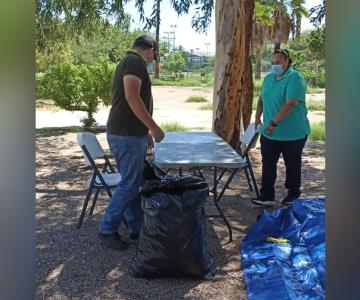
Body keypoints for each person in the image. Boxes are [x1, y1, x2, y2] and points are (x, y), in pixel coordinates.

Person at [98, 35, 165, 250]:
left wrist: (145, 131)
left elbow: (134, 100)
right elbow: (132, 97)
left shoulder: (130, 62)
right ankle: (107, 229)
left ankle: (136, 228)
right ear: (151, 49)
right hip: (126, 134)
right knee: (129, 184)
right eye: (155, 53)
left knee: (132, 182)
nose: (154, 57)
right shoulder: (135, 62)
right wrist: (153, 127)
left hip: (130, 133)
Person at [252, 49, 310, 207]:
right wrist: (257, 118)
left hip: (292, 133)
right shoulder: (269, 78)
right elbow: (261, 99)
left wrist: (273, 123)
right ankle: (267, 196)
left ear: (287, 62)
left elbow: (291, 103)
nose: (274, 66)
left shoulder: (295, 78)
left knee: (292, 164)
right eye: (272, 63)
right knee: (268, 163)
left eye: (277, 62)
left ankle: (293, 194)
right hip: (269, 133)